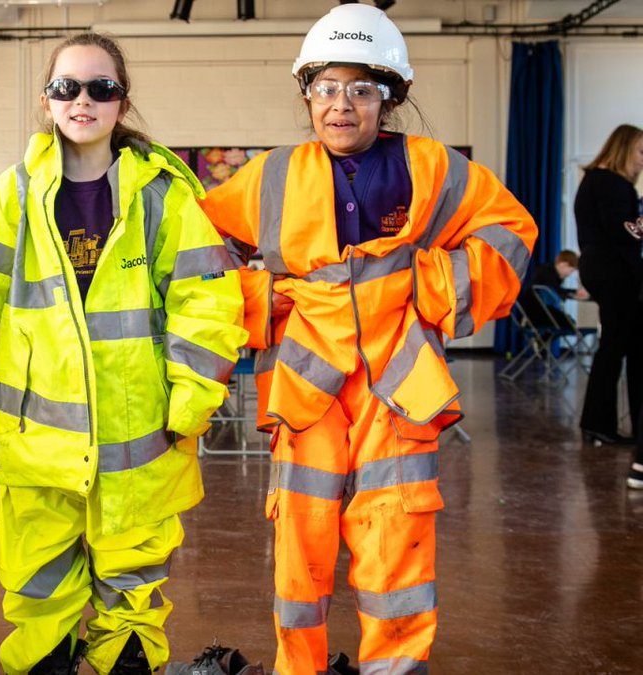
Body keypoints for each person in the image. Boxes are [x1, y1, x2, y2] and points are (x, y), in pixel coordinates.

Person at [199, 5, 536, 674]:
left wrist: (430, 286)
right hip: (307, 383)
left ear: (391, 96)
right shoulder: (272, 176)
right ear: (307, 96)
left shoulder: (431, 168)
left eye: (360, 88)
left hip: (398, 384)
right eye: (325, 88)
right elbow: (196, 243)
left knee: (397, 538)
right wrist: (261, 300)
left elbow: (509, 231)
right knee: (302, 542)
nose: (341, 105)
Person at [0, 32, 246, 675]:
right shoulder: (14, 195)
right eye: (67, 87)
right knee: (40, 584)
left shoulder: (163, 196)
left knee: (133, 584)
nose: (83, 100)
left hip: (140, 438)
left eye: (102, 88)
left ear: (123, 102)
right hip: (37, 441)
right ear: (47, 101)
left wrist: (193, 398)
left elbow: (207, 303)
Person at [574, 124, 643, 446]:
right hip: (616, 272)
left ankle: (598, 424)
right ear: (624, 148)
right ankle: (601, 424)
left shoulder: (594, 181)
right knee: (617, 348)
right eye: (641, 152)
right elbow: (624, 232)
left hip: (599, 268)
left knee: (615, 347)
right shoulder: (613, 184)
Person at [518, 249, 584, 329]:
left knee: (567, 322)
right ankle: (539, 338)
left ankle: (539, 340)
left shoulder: (549, 270)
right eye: (571, 270)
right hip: (536, 310)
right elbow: (555, 291)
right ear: (563, 264)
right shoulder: (548, 273)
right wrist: (575, 292)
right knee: (569, 323)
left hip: (535, 308)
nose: (569, 274)